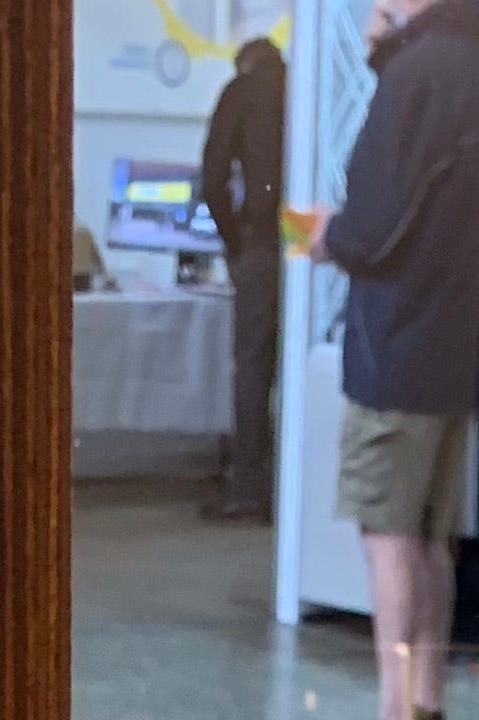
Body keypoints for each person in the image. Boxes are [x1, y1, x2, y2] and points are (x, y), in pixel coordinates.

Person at [286, 0, 479, 720]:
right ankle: (429, 705)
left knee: (388, 536)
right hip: (458, 343)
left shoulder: (418, 72)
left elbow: (377, 221)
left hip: (398, 343)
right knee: (433, 536)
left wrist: (322, 237)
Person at [198, 32, 286, 522]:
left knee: (252, 368)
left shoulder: (242, 92)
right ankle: (291, 489)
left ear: (244, 63)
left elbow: (213, 178)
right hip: (302, 243)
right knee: (293, 368)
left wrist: (234, 243)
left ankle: (248, 488)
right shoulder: (302, 93)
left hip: (259, 244)